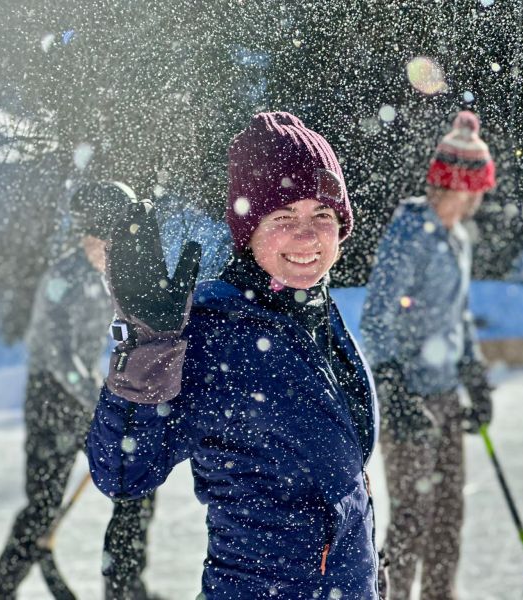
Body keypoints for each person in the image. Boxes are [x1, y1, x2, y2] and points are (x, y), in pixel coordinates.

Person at [86, 112, 382, 599]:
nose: (308, 237)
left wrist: (369, 572)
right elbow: (122, 471)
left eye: (322, 216)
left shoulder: (318, 311)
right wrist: (147, 349)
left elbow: (341, 482)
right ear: (249, 231)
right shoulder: (215, 328)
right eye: (284, 218)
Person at [0, 182, 160, 600]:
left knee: (136, 482)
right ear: (86, 236)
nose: (106, 250)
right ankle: (1, 586)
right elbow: (58, 356)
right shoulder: (62, 280)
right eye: (100, 240)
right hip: (51, 398)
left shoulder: (116, 275)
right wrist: (102, 399)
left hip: (87, 396)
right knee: (44, 505)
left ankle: (123, 584)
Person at [359, 110, 497, 600]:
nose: (480, 197)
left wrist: (474, 375)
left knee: (447, 514)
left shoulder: (457, 240)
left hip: (444, 394)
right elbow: (377, 315)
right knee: (411, 517)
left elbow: (458, 316)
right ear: (460, 185)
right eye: (476, 186)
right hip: (409, 399)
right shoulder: (410, 231)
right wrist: (392, 388)